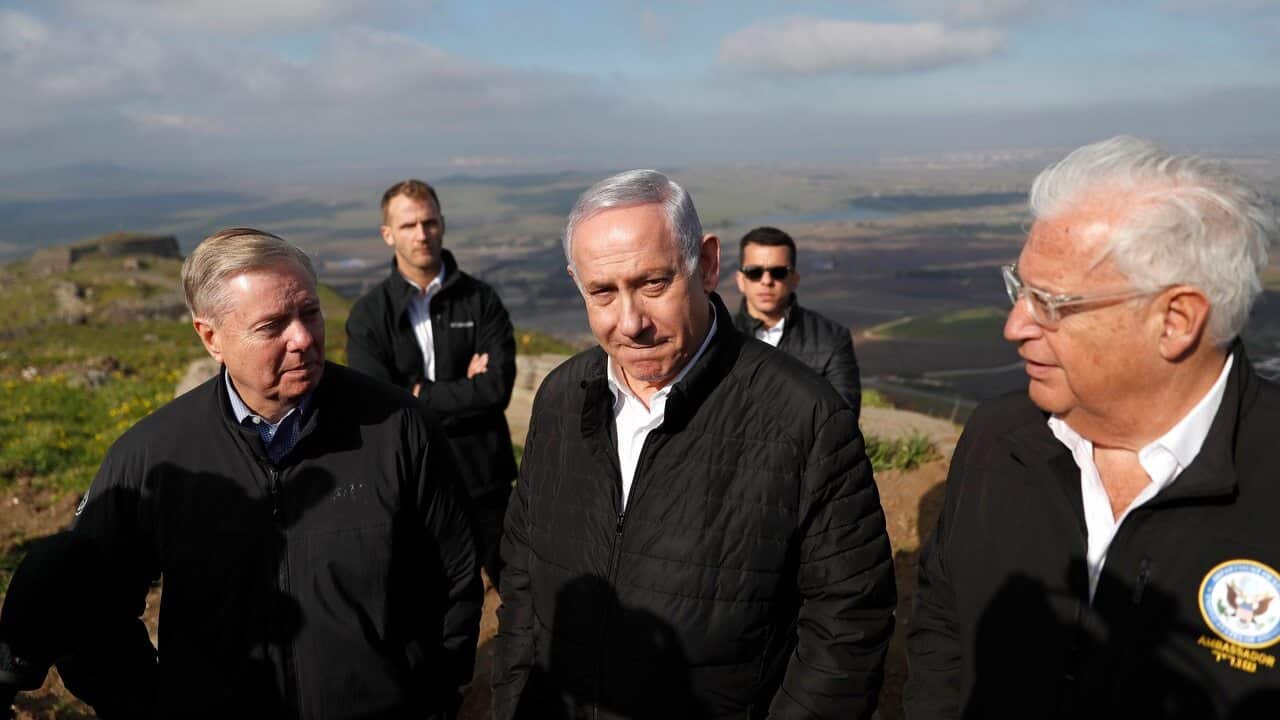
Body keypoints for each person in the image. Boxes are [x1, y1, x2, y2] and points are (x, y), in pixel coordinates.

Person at [2, 228, 482, 719]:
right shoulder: (154, 454)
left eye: (310, 313)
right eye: (272, 325)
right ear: (211, 337)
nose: (303, 338)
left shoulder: (397, 427)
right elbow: (88, 607)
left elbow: (456, 580)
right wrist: (148, 705)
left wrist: (432, 700)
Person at [493, 170, 896, 718]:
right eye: (603, 293)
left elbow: (848, 623)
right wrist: (517, 702)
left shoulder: (805, 416)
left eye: (653, 284)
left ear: (706, 264)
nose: (630, 322)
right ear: (576, 282)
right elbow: (522, 576)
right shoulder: (562, 399)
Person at [905, 136, 1280, 718]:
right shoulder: (998, 441)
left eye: (1050, 303)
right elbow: (944, 621)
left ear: (1175, 321)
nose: (1014, 326)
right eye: (1018, 290)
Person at [346, 179, 518, 591]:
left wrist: (418, 392)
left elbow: (496, 389)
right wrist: (463, 389)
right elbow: (378, 407)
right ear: (388, 234)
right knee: (430, 603)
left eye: (429, 222)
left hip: (485, 478)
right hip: (413, 482)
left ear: (442, 224)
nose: (421, 234)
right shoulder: (370, 316)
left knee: (517, 592)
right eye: (408, 226)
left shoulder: (481, 300)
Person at [732, 226, 862, 418]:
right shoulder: (716, 336)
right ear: (741, 280)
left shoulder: (832, 339)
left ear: (795, 279)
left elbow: (842, 419)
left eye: (778, 272)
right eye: (754, 272)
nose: (766, 281)